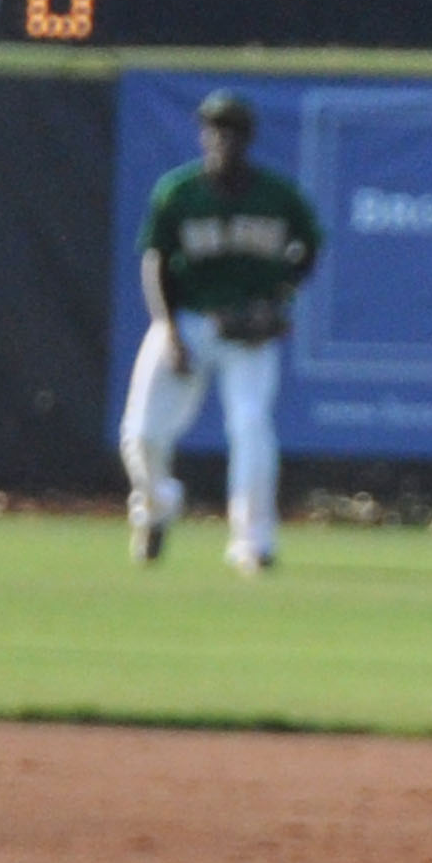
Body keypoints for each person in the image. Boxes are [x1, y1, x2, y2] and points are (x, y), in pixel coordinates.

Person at [121, 89, 319, 575]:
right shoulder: (179, 192)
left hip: (247, 334)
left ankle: (253, 542)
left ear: (247, 138)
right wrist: (169, 330)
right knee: (142, 434)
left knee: (251, 427)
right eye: (213, 129)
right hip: (187, 319)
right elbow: (156, 262)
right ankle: (157, 507)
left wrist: (277, 303)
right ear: (203, 135)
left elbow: (309, 247)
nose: (221, 138)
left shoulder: (278, 196)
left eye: (230, 130)